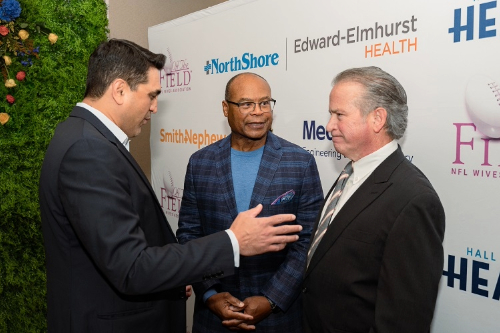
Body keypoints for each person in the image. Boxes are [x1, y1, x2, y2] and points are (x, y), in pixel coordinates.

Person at [39, 39, 302, 333]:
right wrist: (233, 242)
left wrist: (178, 274)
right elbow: (132, 268)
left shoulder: (83, 137)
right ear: (120, 90)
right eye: (151, 95)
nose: (154, 107)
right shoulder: (89, 149)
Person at [302, 66, 445, 333]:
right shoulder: (350, 173)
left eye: (339, 115)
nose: (329, 125)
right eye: (330, 114)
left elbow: (404, 321)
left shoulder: (413, 199)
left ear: (378, 118)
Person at [176, 72, 323, 332]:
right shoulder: (200, 163)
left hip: (279, 319)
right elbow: (190, 236)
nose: (258, 112)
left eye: (265, 103)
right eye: (246, 104)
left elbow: (308, 243)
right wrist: (210, 295)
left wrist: (271, 299)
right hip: (214, 319)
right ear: (226, 108)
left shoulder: (299, 162)